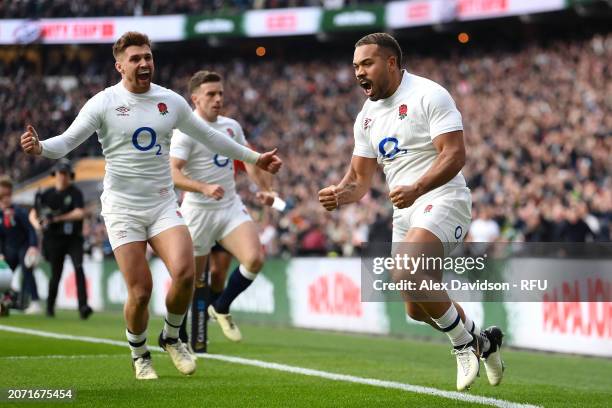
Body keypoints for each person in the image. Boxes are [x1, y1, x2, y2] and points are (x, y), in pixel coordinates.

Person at [20, 31, 281, 380]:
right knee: (141, 292)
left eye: (148, 57)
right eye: (135, 59)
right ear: (119, 66)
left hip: (161, 203)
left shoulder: (170, 101)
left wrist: (255, 158)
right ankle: (139, 352)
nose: (144, 63)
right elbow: (66, 142)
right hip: (122, 208)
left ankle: (171, 337)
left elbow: (212, 137)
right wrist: (40, 148)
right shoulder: (103, 103)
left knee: (186, 274)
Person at [318, 33, 504, 391]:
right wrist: (338, 195)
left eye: (366, 63)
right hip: (405, 212)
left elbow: (454, 154)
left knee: (407, 269)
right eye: (355, 65)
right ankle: (483, 341)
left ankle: (463, 345)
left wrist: (418, 187)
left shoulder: (428, 94)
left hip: (443, 198)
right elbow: (358, 180)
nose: (358, 72)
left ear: (390, 63)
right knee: (416, 308)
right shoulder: (367, 117)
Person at [170, 70, 277, 343]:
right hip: (198, 211)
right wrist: (203, 187)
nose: (218, 99)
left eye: (220, 94)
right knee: (189, 280)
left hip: (229, 206)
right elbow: (173, 173)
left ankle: (222, 306)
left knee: (254, 259)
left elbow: (249, 161)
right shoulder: (186, 132)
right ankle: (176, 332)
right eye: (211, 94)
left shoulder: (231, 126)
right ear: (195, 99)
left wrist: (266, 190)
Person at [30, 159, 92, 319]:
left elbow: (80, 213)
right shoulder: (47, 194)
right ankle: (50, 306)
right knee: (56, 274)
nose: (62, 177)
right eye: (60, 173)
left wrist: (57, 218)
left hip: (73, 239)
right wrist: (38, 225)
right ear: (55, 174)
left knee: (79, 268)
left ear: (70, 175)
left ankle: (83, 306)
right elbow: (33, 213)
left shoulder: (75, 193)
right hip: (54, 239)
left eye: (65, 174)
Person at [0, 176, 40, 315]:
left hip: (24, 246)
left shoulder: (18, 211)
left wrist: (33, 246)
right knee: (3, 275)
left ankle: (34, 302)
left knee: (27, 271)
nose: (5, 198)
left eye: (7, 194)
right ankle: (7, 300)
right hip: (8, 250)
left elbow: (30, 229)